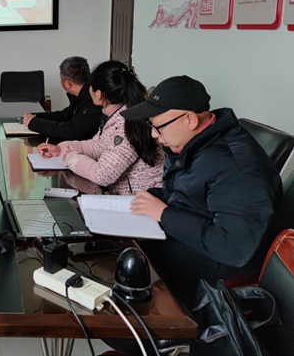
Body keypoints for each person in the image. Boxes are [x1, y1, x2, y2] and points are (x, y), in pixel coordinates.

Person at [121, 76, 282, 306]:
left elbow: (234, 247)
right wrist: (150, 199)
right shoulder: (191, 145)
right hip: (178, 246)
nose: (154, 135)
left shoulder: (236, 167)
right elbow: (187, 195)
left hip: (208, 278)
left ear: (190, 119)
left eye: (158, 127)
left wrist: (164, 214)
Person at [37, 61, 164, 194]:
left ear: (99, 94)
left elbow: (102, 175)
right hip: (126, 197)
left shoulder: (129, 123)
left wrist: (70, 158)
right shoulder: (119, 113)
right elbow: (96, 146)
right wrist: (61, 149)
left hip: (142, 199)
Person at [22, 56, 102, 142]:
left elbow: (70, 131)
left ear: (68, 84)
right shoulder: (84, 92)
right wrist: (35, 116)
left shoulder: (94, 99)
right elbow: (65, 115)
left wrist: (34, 123)